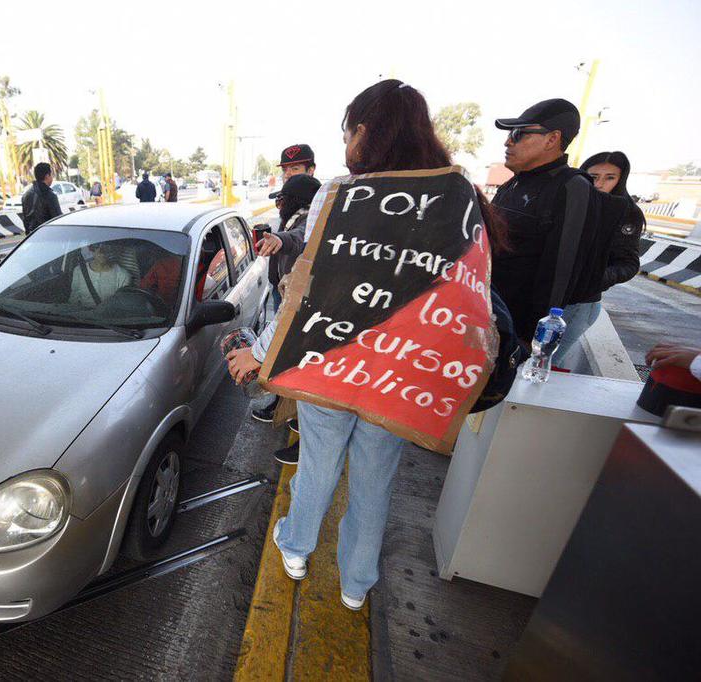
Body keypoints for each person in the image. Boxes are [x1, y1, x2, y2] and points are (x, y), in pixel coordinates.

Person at [225, 80, 506, 611]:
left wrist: (262, 352)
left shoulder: (342, 195)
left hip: (332, 366)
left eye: (348, 130)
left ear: (366, 131)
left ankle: (298, 547)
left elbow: (306, 291)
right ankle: (356, 582)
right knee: (377, 480)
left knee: (319, 464)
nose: (346, 143)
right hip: (403, 374)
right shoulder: (463, 200)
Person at [491, 99, 591, 343]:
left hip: (518, 331)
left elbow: (561, 273)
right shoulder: (513, 183)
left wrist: (533, 343)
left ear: (552, 139)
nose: (508, 141)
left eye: (519, 133)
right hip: (490, 316)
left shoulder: (571, 187)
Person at [250, 172, 322, 459]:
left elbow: (298, 239)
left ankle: (306, 440)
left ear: (295, 201)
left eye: (281, 199)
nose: (278, 205)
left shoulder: (310, 221)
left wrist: (279, 239)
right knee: (288, 366)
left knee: (299, 371)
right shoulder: (295, 217)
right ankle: (283, 409)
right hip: (287, 295)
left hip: (304, 305)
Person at [552, 151, 645, 365]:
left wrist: (591, 278)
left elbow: (629, 264)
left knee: (544, 362)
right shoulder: (570, 203)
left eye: (610, 177)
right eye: (594, 176)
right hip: (549, 297)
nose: (600, 183)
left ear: (621, 179)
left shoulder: (627, 213)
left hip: (578, 305)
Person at [69, 242, 133, 307]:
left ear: (111, 249)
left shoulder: (122, 275)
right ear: (90, 249)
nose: (100, 251)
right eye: (96, 246)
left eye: (105, 246)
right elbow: (74, 301)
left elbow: (121, 306)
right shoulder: (79, 271)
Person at [21, 162, 62, 234]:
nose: (52, 177)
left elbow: (25, 220)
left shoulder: (26, 195)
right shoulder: (50, 195)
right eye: (51, 174)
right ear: (47, 176)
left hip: (32, 238)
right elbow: (58, 220)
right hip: (48, 237)